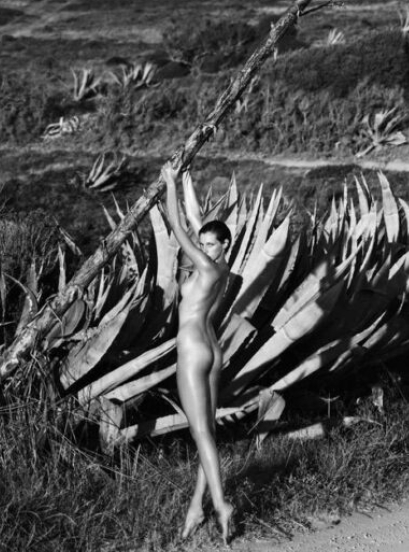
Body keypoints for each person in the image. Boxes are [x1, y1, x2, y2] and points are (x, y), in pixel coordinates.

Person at [164, 164, 235, 543]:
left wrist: (171, 185)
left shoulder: (204, 266)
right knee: (206, 434)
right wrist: (188, 179)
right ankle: (197, 507)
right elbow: (194, 221)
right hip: (214, 349)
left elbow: (178, 226)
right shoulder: (222, 268)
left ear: (224, 245)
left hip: (192, 350)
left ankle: (222, 505)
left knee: (201, 433)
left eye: (210, 243)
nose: (204, 247)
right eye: (203, 243)